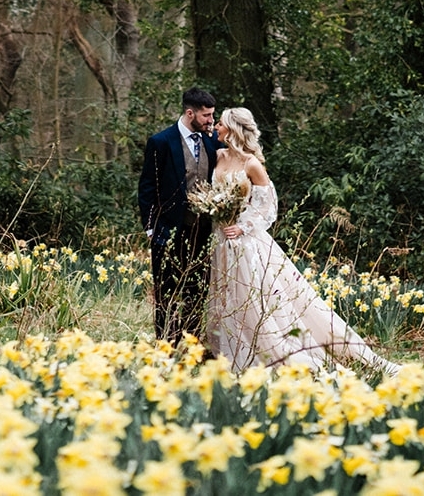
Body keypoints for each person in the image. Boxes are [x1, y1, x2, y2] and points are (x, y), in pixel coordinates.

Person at [206, 106, 398, 374]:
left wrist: (242, 226)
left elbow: (267, 207)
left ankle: (268, 353)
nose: (216, 127)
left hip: (245, 242)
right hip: (219, 239)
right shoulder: (216, 156)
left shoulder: (252, 164)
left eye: (221, 124)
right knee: (225, 297)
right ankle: (226, 353)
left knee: (254, 298)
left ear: (233, 129)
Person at [137, 87, 221, 344]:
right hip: (169, 230)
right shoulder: (161, 142)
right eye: (206, 116)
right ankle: (167, 346)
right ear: (189, 113)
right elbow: (148, 187)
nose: (211, 121)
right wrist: (151, 229)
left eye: (212, 115)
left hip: (203, 231)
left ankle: (192, 345)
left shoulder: (212, 141)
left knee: (198, 290)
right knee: (167, 292)